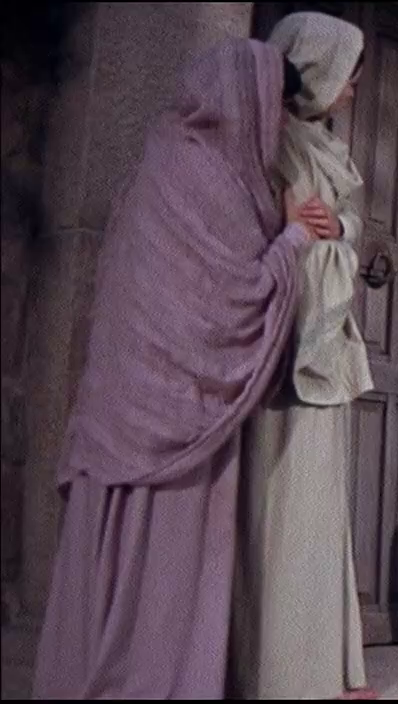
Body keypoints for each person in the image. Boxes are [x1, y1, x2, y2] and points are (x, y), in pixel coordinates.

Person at [33, 38, 335, 698]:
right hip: (180, 418)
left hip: (124, 407)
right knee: (165, 569)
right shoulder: (211, 178)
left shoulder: (161, 162)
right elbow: (230, 302)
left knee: (113, 566)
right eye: (277, 107)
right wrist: (293, 238)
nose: (279, 124)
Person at [229, 11, 376, 700]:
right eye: (346, 75)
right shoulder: (269, 142)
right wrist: (319, 240)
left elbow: (340, 225)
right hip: (286, 344)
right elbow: (277, 237)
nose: (352, 89)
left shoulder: (326, 146)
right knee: (281, 511)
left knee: (316, 514)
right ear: (315, 71)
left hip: (324, 342)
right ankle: (279, 674)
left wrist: (340, 228)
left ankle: (323, 668)